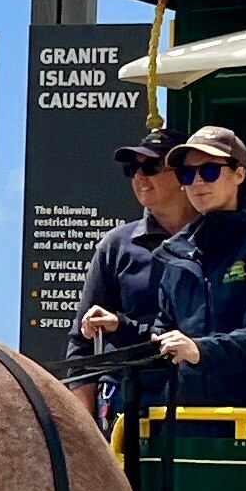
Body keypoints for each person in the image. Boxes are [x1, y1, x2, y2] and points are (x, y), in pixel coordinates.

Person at [147, 125, 246, 415]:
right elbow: (164, 326)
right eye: (187, 174)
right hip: (180, 423)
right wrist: (126, 331)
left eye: (208, 171)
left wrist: (198, 350)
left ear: (239, 174)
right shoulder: (176, 251)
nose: (196, 183)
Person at [72, 133, 194, 421]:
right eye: (132, 170)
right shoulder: (115, 246)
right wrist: (84, 429)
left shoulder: (216, 240)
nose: (139, 177)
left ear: (182, 175)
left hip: (204, 404)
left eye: (151, 167)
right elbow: (82, 343)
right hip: (127, 405)